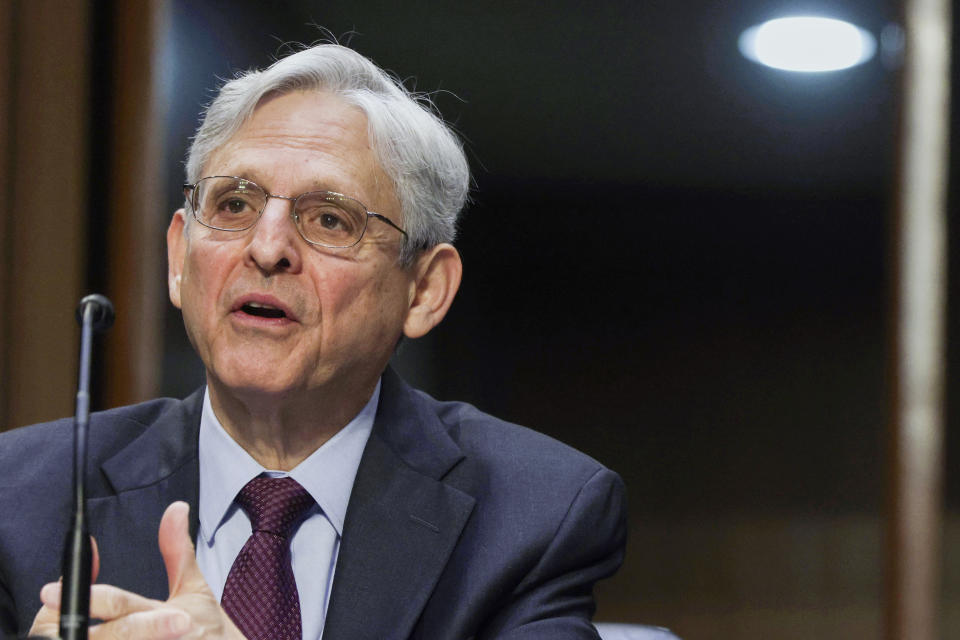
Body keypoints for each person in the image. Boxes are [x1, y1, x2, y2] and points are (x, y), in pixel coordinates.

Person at [0, 43, 626, 639]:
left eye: (329, 218)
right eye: (234, 204)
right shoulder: (19, 499)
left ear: (425, 290)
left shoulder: (533, 516)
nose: (267, 248)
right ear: (179, 258)